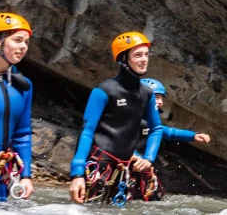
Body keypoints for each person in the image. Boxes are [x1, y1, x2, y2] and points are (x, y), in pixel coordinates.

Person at [68, 32, 163, 205]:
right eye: (138, 55)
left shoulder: (146, 93)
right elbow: (87, 131)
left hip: (125, 170)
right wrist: (77, 174)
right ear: (123, 58)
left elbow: (156, 128)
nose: (144, 60)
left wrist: (149, 158)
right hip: (99, 165)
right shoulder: (103, 91)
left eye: (146, 55)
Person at [0, 13, 34, 201]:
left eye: (26, 42)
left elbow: (23, 133)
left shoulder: (23, 86)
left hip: (0, 172)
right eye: (17, 40)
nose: (23, 47)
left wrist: (26, 175)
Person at [129, 78, 211, 201]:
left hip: (140, 169)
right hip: (125, 166)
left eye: (161, 98)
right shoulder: (126, 119)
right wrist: (134, 156)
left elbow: (170, 132)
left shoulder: (150, 122)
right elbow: (111, 140)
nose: (161, 102)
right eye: (156, 97)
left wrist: (194, 135)